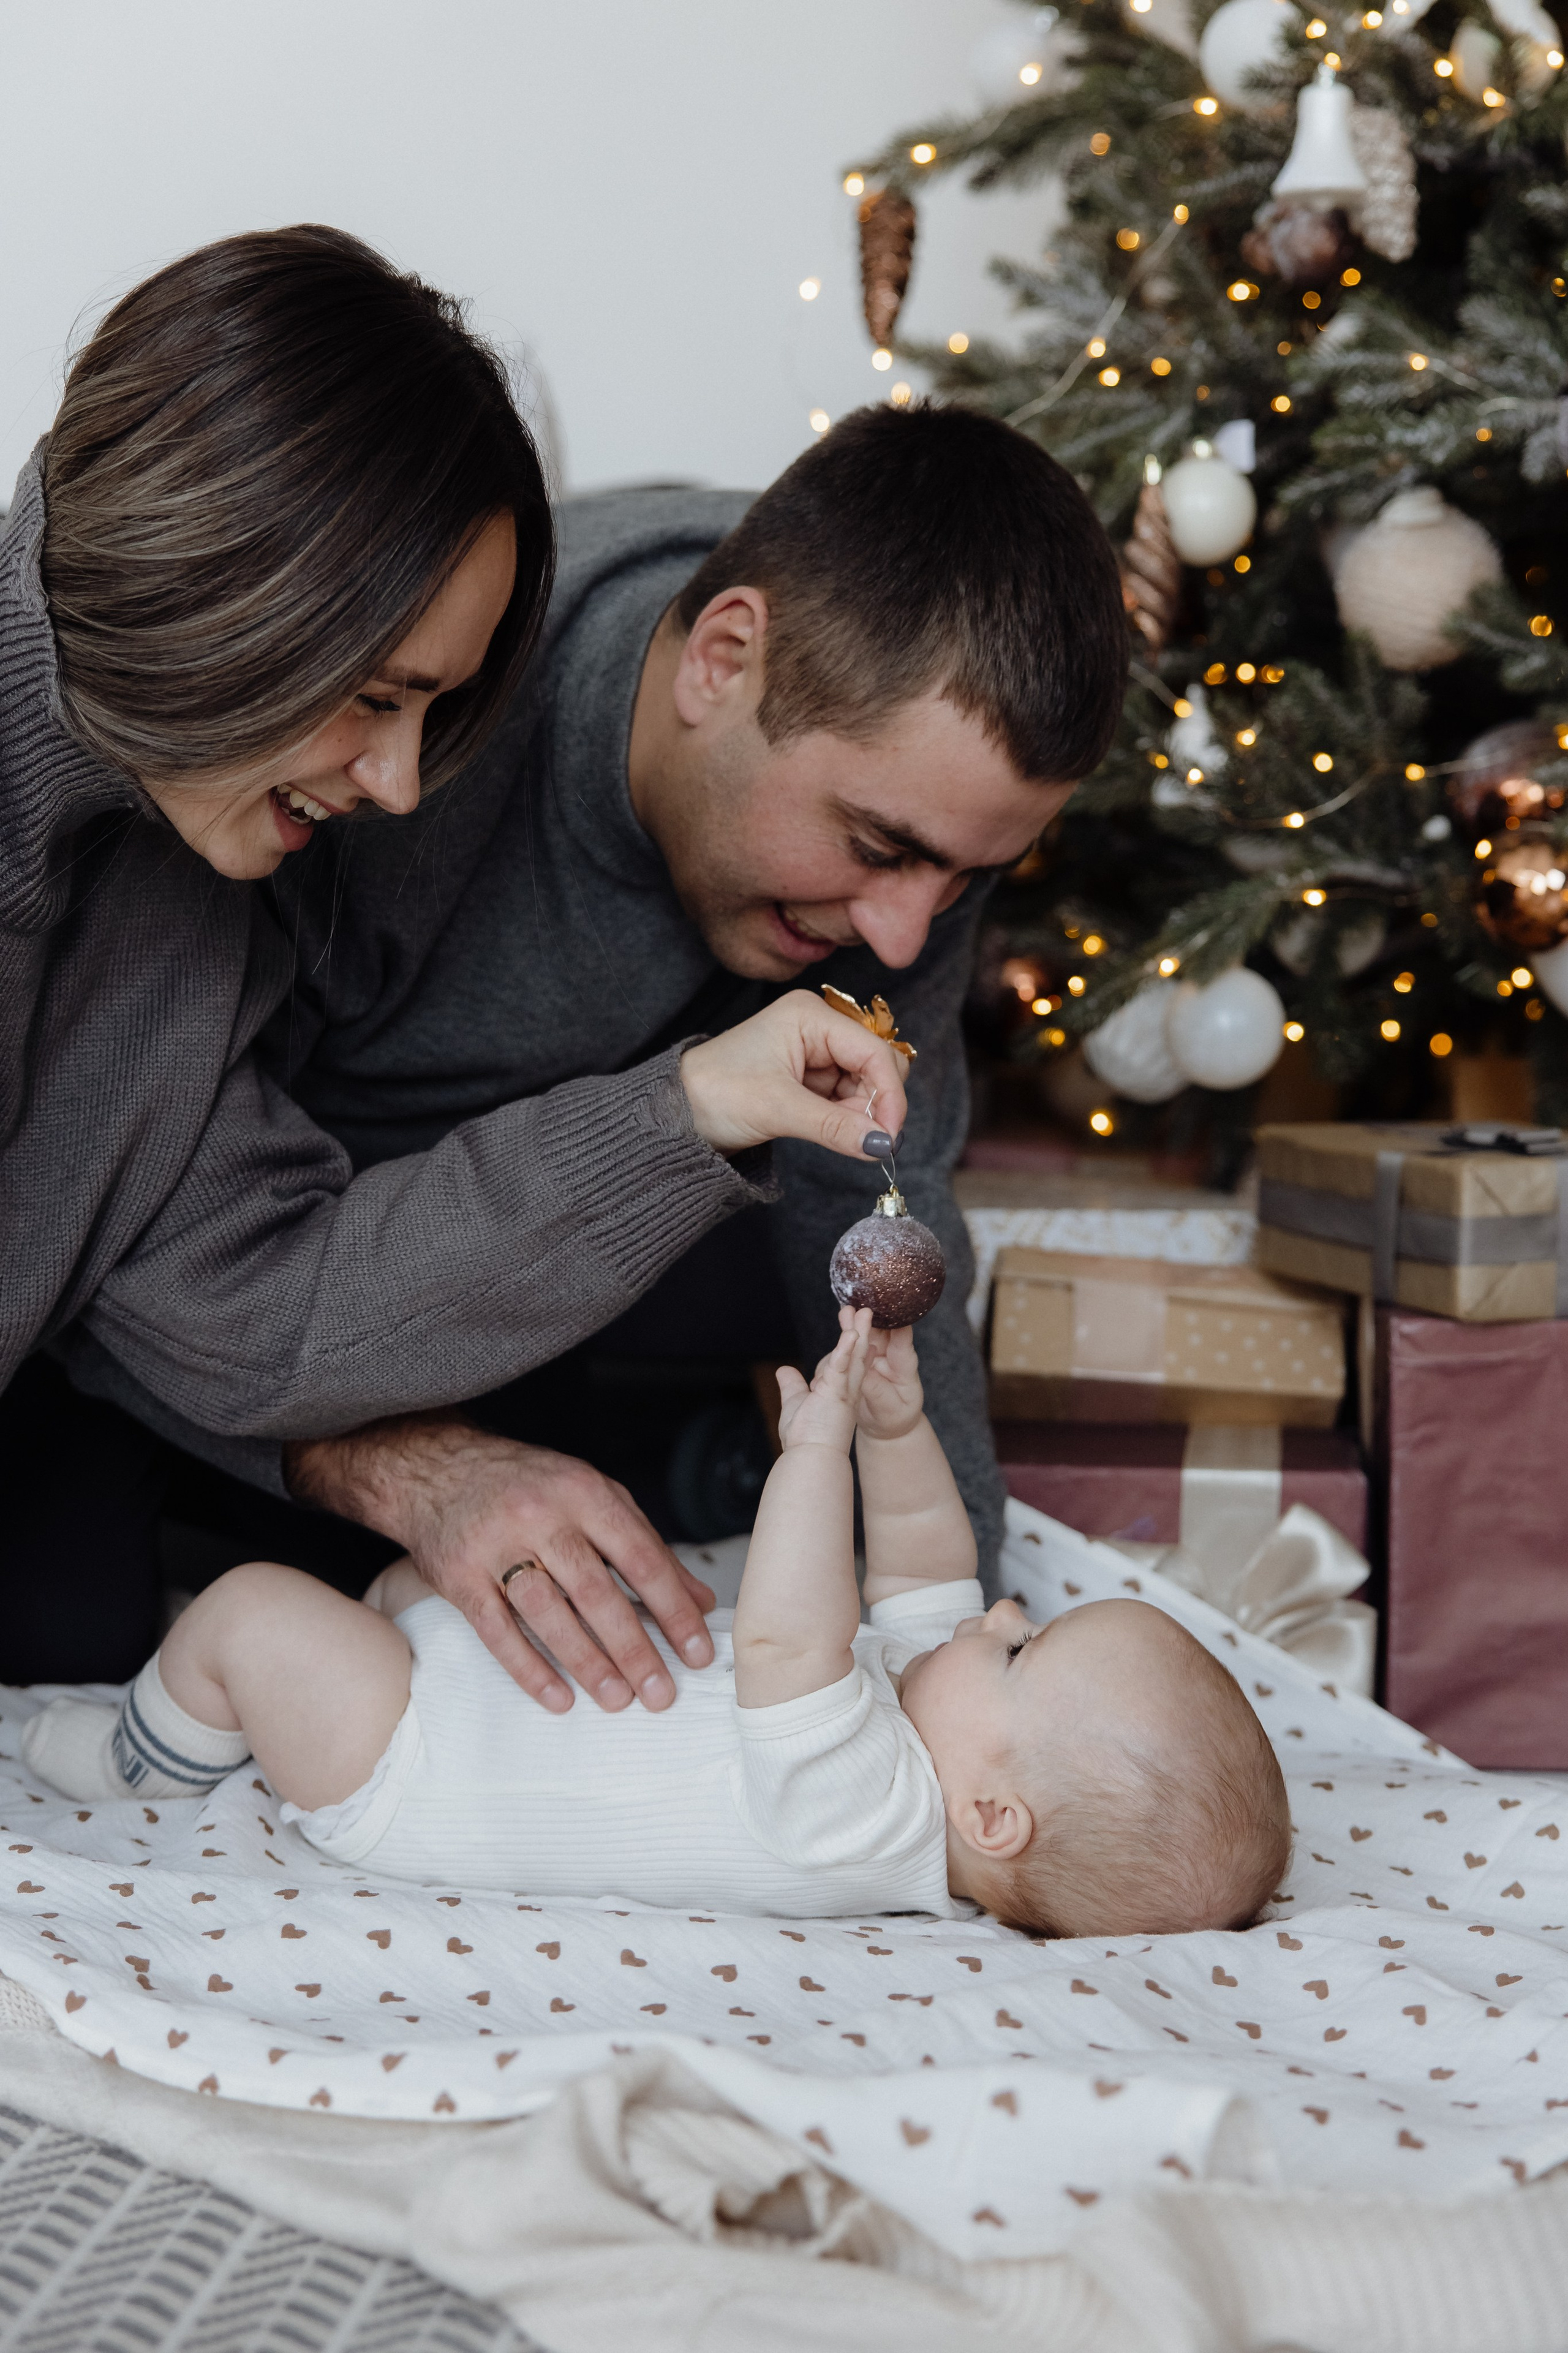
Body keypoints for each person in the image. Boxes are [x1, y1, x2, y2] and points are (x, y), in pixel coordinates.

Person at [54, 399, 1130, 1711]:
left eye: (971, 876)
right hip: (248, 1263)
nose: (907, 929)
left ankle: (692, 1463)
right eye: (878, 846)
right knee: (73, 1620)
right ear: (721, 659)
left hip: (504, 1254)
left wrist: (961, 1617)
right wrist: (407, 1465)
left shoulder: (898, 813)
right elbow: (120, 1219)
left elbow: (878, 1200)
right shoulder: (378, 742)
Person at [0, 225, 918, 1686]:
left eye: (429, 711)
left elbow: (258, 1307)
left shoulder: (183, 890)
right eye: (375, 696)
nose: (401, 785)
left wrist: (688, 1105)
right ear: (220, 597)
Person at [23, 1310, 1290, 1937]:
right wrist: (899, 1436)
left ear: (991, 1819)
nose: (1006, 1612)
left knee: (255, 1608)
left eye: (1023, 1646)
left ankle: (142, 1756)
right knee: (409, 1589)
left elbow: (794, 1633)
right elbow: (921, 1558)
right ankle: (229, 1696)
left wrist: (814, 1454)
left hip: (413, 1764)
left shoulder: (870, 1819)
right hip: (474, 1677)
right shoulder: (933, 1714)